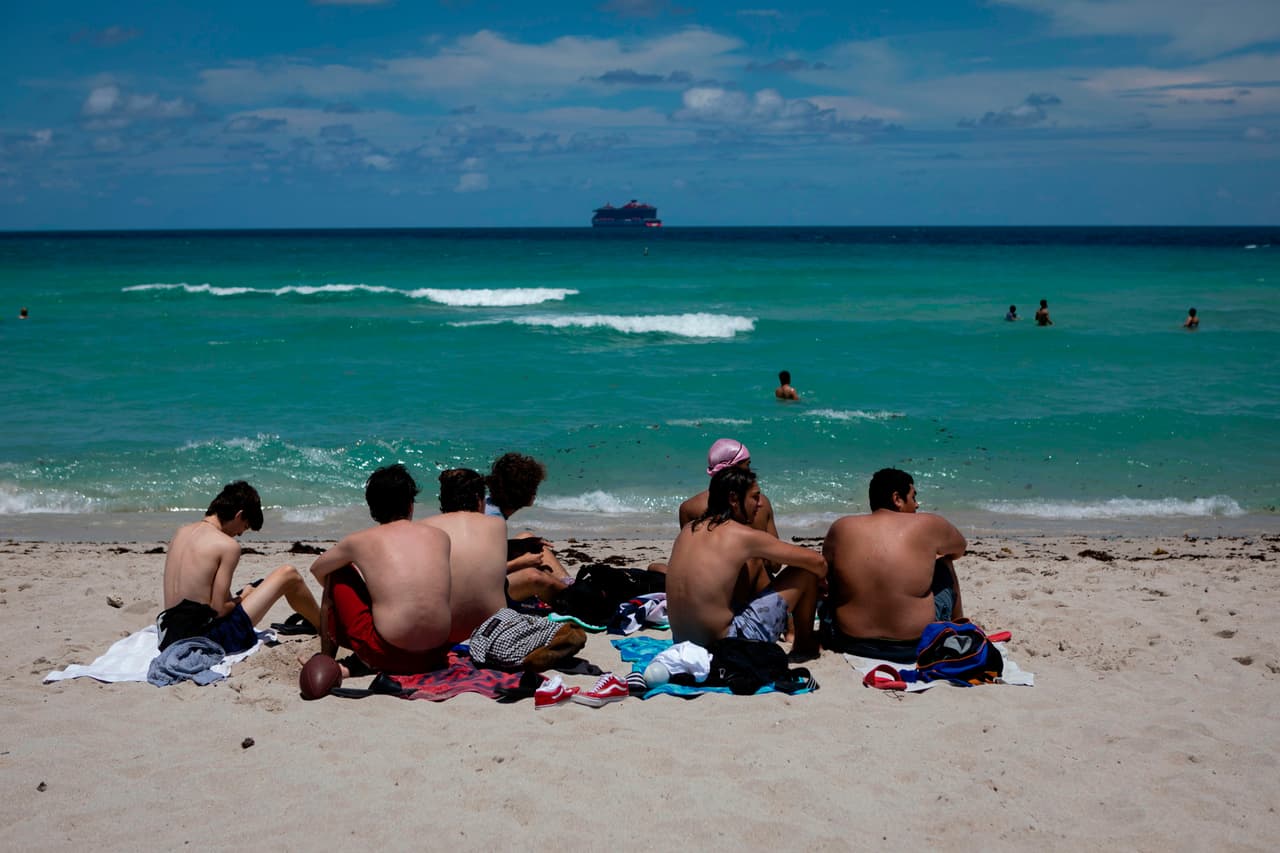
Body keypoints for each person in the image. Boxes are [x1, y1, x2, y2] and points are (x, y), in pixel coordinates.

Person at [666, 467, 826, 659]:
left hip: (682, 644)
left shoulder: (688, 530)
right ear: (734, 499)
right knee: (804, 572)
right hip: (726, 646)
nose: (759, 505)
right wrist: (823, 581)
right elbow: (817, 561)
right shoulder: (741, 536)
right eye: (755, 497)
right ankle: (803, 645)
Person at [310, 464, 452, 675]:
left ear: (372, 509)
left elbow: (318, 569)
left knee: (337, 571)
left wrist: (353, 598)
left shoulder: (360, 541)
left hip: (387, 654)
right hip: (437, 654)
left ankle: (326, 660)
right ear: (411, 505)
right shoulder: (440, 537)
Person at [821, 468, 967, 663]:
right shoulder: (929, 523)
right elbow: (958, 550)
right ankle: (960, 628)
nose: (917, 504)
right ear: (897, 499)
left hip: (850, 640)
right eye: (913, 497)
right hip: (913, 644)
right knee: (944, 562)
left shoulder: (841, 527)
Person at [158, 481, 320, 654]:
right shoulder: (228, 545)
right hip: (204, 640)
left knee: (256, 587)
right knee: (289, 574)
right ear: (239, 515)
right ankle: (326, 628)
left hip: (169, 636)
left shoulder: (181, 532)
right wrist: (242, 597)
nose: (241, 533)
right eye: (245, 526)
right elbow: (218, 610)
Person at [421, 468, 563, 638]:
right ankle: (578, 598)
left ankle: (573, 589)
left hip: (443, 621)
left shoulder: (425, 527)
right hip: (488, 624)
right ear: (478, 499)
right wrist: (523, 562)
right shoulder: (494, 524)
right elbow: (487, 572)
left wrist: (521, 545)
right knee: (534, 576)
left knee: (528, 542)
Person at [485, 452, 570, 586]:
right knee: (534, 576)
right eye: (534, 487)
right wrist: (522, 563)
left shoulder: (488, 505)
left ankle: (568, 584)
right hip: (481, 589)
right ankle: (569, 594)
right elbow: (484, 571)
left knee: (528, 537)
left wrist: (524, 544)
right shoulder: (493, 520)